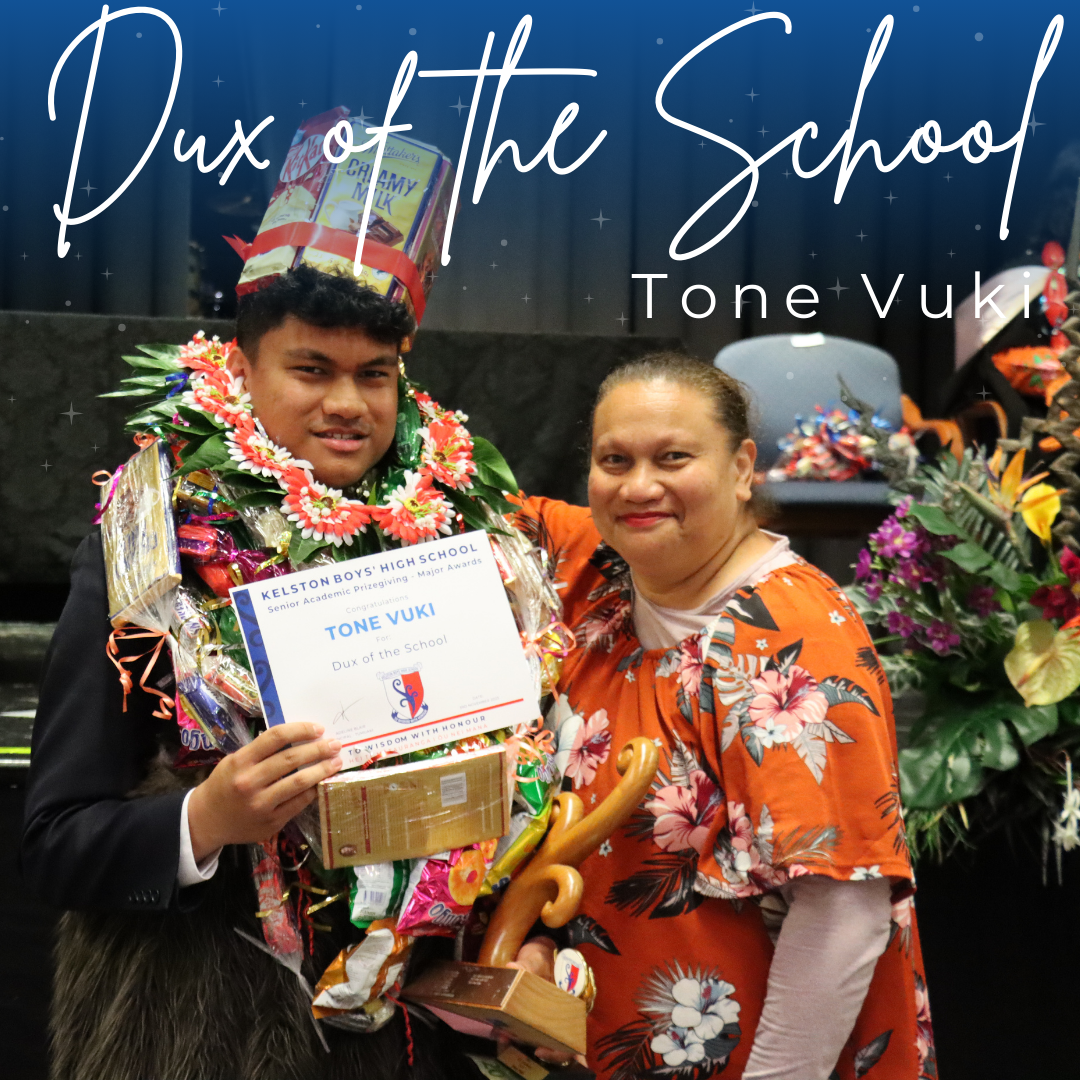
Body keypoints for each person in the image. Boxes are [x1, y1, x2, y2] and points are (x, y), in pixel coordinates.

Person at [20, 268, 471, 1080]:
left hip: (403, 1034)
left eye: (374, 375)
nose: (348, 403)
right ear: (242, 369)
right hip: (195, 1024)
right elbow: (57, 845)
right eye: (312, 370)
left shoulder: (450, 541)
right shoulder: (151, 559)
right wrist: (205, 819)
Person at [511, 353, 935, 1080]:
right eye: (614, 460)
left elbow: (843, 916)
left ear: (742, 468)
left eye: (673, 458)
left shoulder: (790, 635)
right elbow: (438, 487)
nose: (638, 486)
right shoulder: (593, 570)